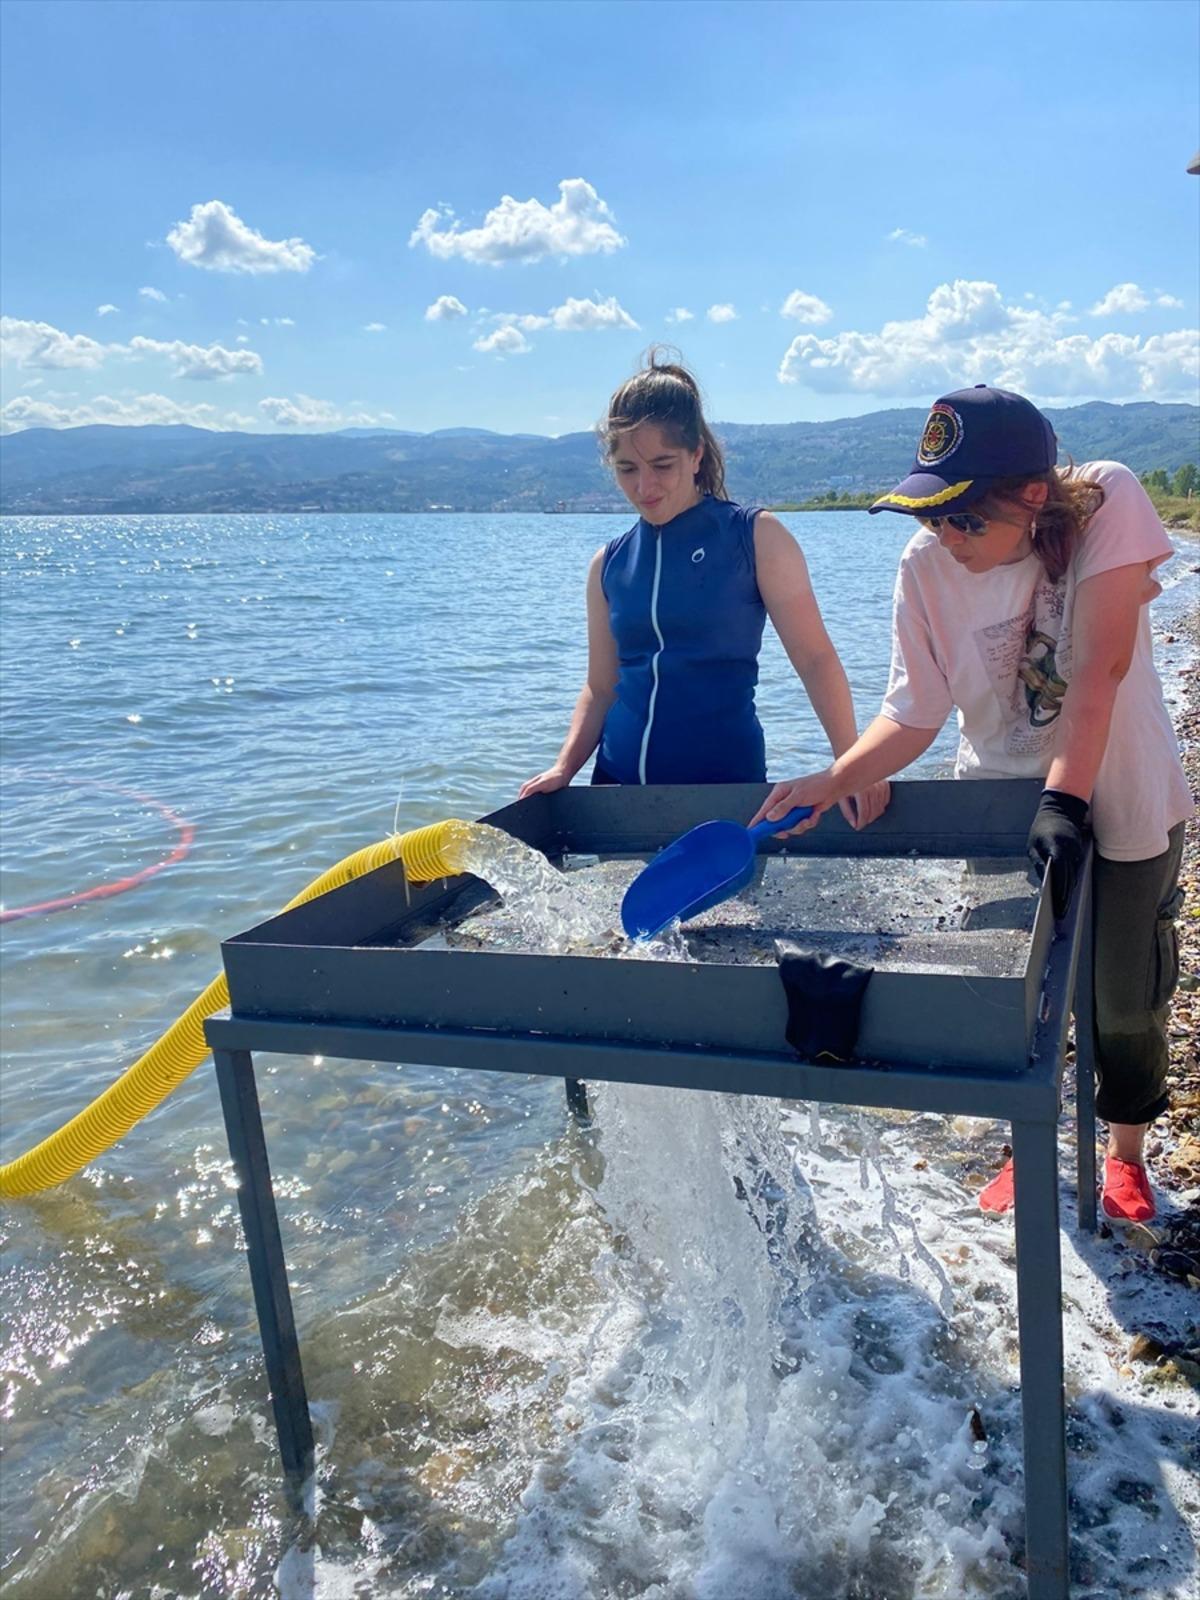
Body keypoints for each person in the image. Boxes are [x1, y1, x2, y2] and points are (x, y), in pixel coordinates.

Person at [752, 384, 1193, 1223]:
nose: (945, 536)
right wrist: (832, 779)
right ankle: (1020, 1147)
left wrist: (1062, 801)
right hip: (995, 799)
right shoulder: (925, 567)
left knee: (1124, 997)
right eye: (932, 516)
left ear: (1031, 497)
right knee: (1000, 989)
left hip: (1125, 785)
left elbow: (1097, 672)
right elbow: (912, 712)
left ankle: (1125, 1153)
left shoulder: (1107, 501)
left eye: (964, 519)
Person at [520, 351, 889, 832]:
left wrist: (850, 765)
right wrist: (564, 768)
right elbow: (600, 686)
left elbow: (815, 658)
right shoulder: (607, 564)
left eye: (662, 465)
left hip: (727, 794)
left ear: (696, 455)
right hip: (614, 796)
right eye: (627, 468)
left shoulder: (755, 537)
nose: (644, 485)